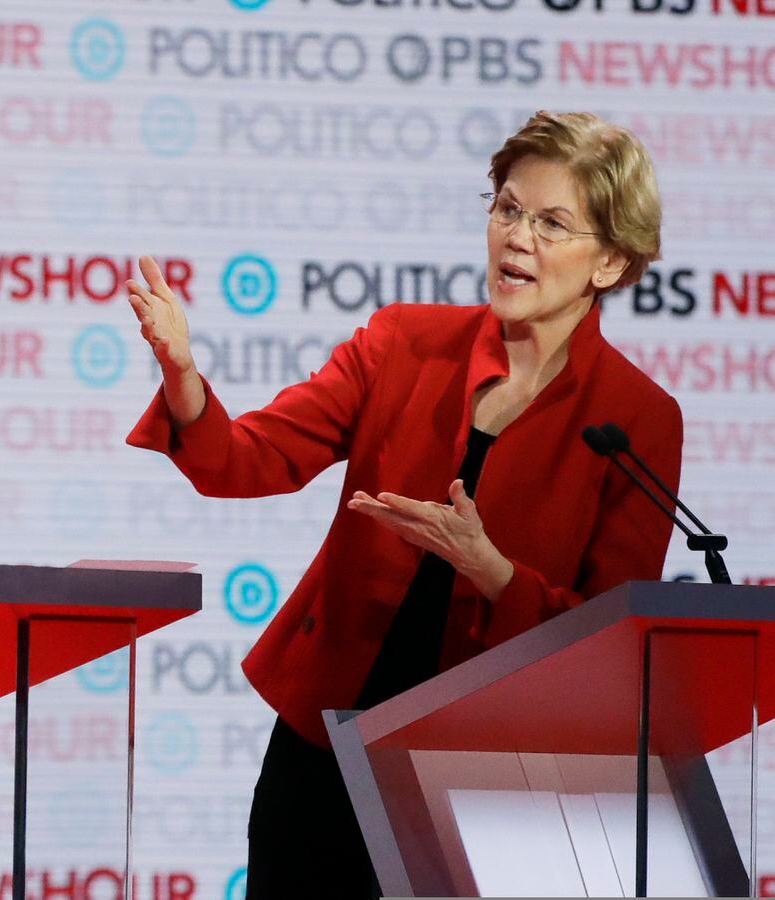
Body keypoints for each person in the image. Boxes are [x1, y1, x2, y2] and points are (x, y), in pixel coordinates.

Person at [125, 111, 681, 897]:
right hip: (329, 746)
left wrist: (494, 573)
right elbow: (251, 461)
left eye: (552, 223)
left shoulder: (637, 418)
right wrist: (184, 377)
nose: (517, 237)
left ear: (611, 262)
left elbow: (611, 647)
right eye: (507, 209)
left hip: (494, 772)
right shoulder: (404, 342)